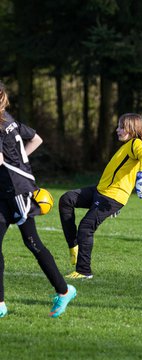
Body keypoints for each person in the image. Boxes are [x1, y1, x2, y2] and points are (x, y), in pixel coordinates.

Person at [0, 82, 76, 318]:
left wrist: (16, 168)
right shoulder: (7, 118)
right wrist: (20, 165)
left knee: (32, 242)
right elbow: (36, 139)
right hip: (6, 188)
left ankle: (64, 291)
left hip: (17, 190)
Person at [59, 113, 142, 279]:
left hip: (110, 197)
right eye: (118, 126)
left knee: (86, 227)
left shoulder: (135, 144)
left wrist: (141, 177)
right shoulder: (126, 145)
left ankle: (83, 271)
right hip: (100, 191)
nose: (118, 130)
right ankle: (73, 246)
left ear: (132, 128)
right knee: (67, 199)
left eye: (121, 127)